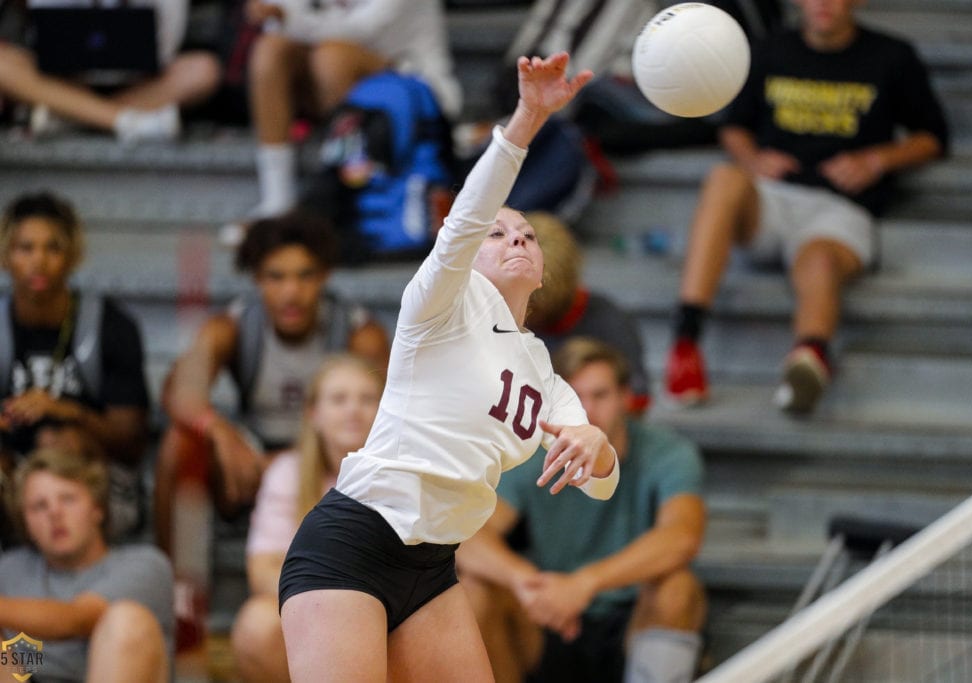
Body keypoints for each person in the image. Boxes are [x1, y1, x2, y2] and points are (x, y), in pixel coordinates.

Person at [278, 52, 618, 682]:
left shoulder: (543, 370)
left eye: (527, 236)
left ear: (543, 270)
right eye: (498, 234)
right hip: (353, 544)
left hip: (432, 567)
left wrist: (595, 442)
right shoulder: (436, 305)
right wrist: (527, 119)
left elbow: (599, 478)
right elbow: (467, 213)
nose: (515, 238)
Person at [664, 0, 949, 414]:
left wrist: (876, 160)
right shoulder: (769, 50)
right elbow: (732, 128)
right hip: (772, 200)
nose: (823, 3)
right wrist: (752, 159)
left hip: (842, 209)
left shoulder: (892, 55)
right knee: (723, 178)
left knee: (818, 261)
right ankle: (685, 342)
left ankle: (808, 360)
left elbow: (933, 137)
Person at [458, 337, 706, 683]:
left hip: (630, 615)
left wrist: (585, 584)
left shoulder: (667, 453)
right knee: (474, 589)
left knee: (678, 588)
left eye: (600, 395)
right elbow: (466, 536)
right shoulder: (531, 456)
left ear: (626, 398)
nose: (587, 411)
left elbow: (681, 537)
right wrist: (525, 582)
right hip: (546, 614)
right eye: (576, 398)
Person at [154, 210, 390, 557]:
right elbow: (177, 389)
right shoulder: (232, 326)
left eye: (305, 276)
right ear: (256, 279)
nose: (291, 292)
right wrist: (219, 431)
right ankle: (176, 584)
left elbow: (387, 420)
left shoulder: (359, 332)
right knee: (179, 444)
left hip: (331, 461)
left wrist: (291, 462)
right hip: (250, 463)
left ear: (325, 276)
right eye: (275, 277)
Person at [0, 192, 150, 543]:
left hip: (96, 482)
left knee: (59, 441)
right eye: (25, 248)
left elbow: (131, 442)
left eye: (53, 248)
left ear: (72, 257)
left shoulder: (110, 325)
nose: (39, 261)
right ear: (6, 256)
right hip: (13, 475)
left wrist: (65, 411)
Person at [230, 354, 384, 683]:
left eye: (367, 399)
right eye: (339, 399)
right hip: (314, 608)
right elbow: (262, 569)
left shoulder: (408, 473)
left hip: (391, 608)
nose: (353, 410)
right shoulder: (288, 472)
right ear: (314, 414)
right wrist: (330, 604)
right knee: (257, 623)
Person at [241, 0, 461, 220]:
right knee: (270, 49)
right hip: (334, 81)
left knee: (332, 58)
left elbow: (356, 32)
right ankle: (278, 200)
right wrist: (273, 12)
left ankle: (339, 194)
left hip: (414, 87)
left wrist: (284, 16)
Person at [0, 447, 174, 682]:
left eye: (68, 499)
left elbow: (76, 620)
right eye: (39, 506)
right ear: (25, 523)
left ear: (97, 509)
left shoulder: (145, 565)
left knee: (127, 620)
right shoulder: (8, 570)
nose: (54, 513)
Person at [0, 0, 220, 142]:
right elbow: (46, 34)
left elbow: (165, 49)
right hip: (63, 82)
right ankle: (125, 122)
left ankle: (72, 118)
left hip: (141, 85)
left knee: (203, 70)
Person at [524, 211, 650, 413]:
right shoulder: (492, 318)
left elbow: (637, 403)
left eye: (530, 312)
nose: (523, 318)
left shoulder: (611, 324)